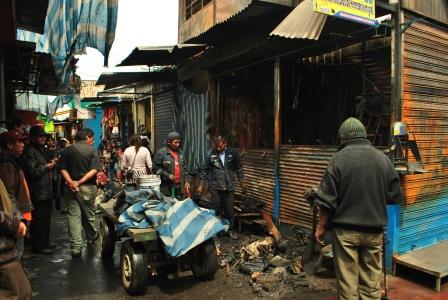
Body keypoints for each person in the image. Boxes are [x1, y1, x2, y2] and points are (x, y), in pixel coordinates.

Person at [313, 117, 403, 299]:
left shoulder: (338, 160)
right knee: (371, 286)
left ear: (343, 139)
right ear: (364, 136)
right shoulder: (383, 160)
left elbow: (325, 202)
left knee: (348, 286)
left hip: (346, 234)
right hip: (374, 232)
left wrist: (321, 228)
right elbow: (395, 197)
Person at [59, 128, 101, 257]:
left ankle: (76, 248)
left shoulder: (67, 150)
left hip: (70, 188)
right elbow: (94, 170)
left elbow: (62, 169)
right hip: (87, 188)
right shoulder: (92, 150)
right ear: (87, 137)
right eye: (92, 138)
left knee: (73, 217)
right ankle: (91, 235)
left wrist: (72, 182)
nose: (93, 141)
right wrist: (78, 182)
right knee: (88, 215)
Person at [197, 135, 246, 233]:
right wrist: (200, 186)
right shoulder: (210, 154)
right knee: (216, 209)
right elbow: (204, 171)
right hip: (216, 188)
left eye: (220, 146)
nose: (218, 149)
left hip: (229, 188)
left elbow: (239, 170)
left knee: (229, 210)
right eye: (216, 147)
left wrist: (242, 183)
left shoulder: (233, 154)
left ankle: (229, 229)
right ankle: (216, 229)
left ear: (225, 143)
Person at [22, 126, 57, 254]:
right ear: (32, 138)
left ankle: (45, 243)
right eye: (40, 136)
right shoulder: (29, 151)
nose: (43, 138)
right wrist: (48, 166)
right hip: (38, 192)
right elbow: (33, 172)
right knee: (39, 221)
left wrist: (51, 164)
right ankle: (39, 246)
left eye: (44, 136)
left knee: (45, 219)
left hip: (45, 191)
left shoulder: (39, 150)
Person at [0, 130, 33, 259]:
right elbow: (8, 194)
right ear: (9, 145)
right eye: (19, 142)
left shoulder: (13, 160)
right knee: (17, 253)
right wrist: (17, 218)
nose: (23, 145)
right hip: (14, 216)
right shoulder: (6, 163)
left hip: (18, 214)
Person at [0, 179, 32, 300]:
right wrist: (14, 225)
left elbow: (8, 197)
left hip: (6, 252)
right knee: (19, 292)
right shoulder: (7, 163)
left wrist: (18, 220)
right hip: (4, 255)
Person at [153, 132, 190, 199]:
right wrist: (167, 175)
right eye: (175, 142)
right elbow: (155, 169)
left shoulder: (181, 153)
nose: (178, 144)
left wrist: (187, 182)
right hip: (168, 188)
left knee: (179, 206)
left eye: (179, 142)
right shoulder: (161, 153)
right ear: (169, 142)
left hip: (180, 188)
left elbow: (185, 168)